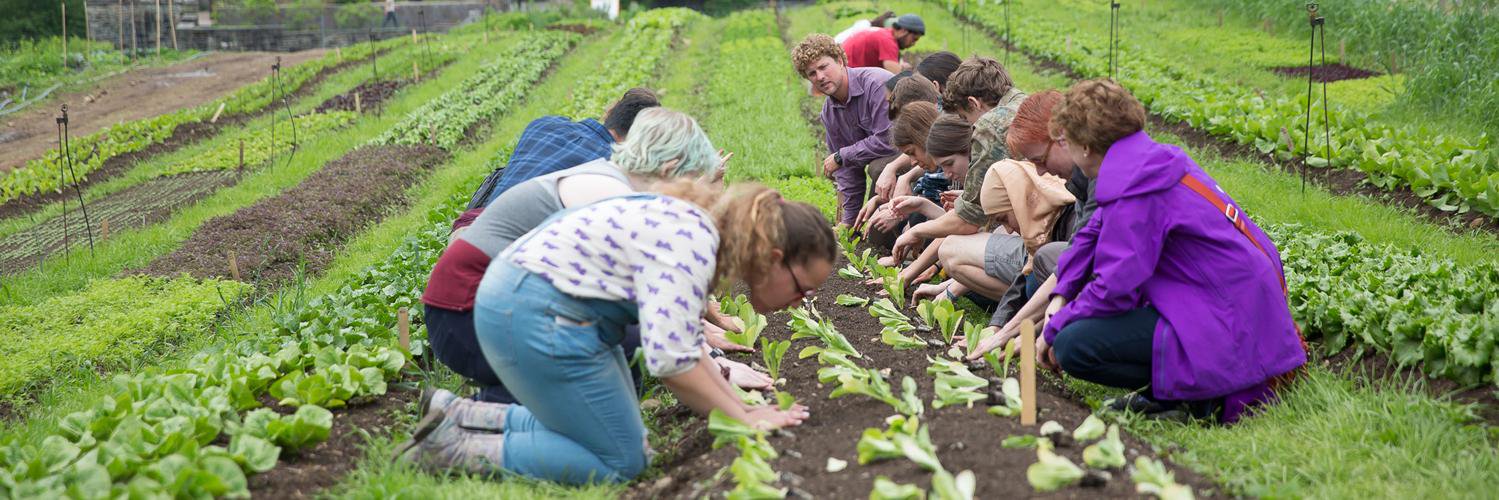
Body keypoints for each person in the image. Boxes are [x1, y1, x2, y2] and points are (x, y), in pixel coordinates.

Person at [396, 183, 836, 482]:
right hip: (533, 311)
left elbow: (683, 347)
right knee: (621, 460)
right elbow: (673, 365)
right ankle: (452, 450)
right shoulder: (695, 245)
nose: (802, 300)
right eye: (803, 287)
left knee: (613, 430)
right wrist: (745, 417)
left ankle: (462, 416)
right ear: (774, 257)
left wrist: (741, 409)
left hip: (528, 301)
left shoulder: (701, 233)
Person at [971, 79, 1307, 423]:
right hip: (1228, 300)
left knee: (1073, 346)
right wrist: (1058, 300)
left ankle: (1201, 397)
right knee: (1072, 330)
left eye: (1065, 142)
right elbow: (1088, 239)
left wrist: (1054, 329)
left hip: (1228, 316)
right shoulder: (1144, 162)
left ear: (1085, 146)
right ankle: (1177, 388)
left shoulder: (1137, 187)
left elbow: (1114, 286)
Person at [891, 57, 1027, 301]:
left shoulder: (990, 125)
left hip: (1044, 243)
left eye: (965, 119)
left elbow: (968, 221)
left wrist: (915, 232)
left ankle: (1028, 300)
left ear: (974, 103)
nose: (968, 129)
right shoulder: (1021, 100)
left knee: (951, 251)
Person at [465, 88, 661, 211]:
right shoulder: (612, 167)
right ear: (640, 139)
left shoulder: (542, 124)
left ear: (610, 112)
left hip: (475, 229)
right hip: (522, 252)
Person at [791, 34, 897, 228]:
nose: (820, 77)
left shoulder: (876, 84)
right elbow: (847, 170)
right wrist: (848, 222)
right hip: (885, 170)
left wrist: (842, 156)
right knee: (871, 234)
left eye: (823, 67)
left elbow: (888, 140)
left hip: (918, 161)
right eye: (812, 73)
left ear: (840, 61)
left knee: (877, 167)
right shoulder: (829, 112)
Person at [840, 14, 927, 75]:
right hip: (847, 73)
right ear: (903, 31)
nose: (914, 43)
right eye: (914, 39)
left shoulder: (885, 34)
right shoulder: (888, 41)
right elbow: (896, 76)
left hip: (845, 68)